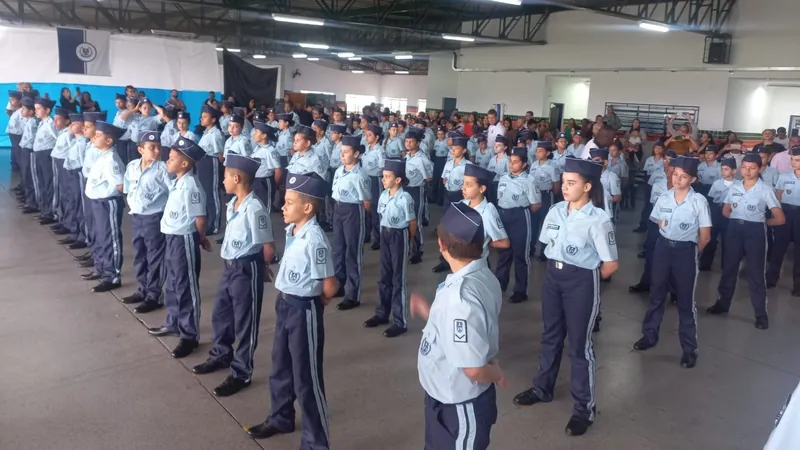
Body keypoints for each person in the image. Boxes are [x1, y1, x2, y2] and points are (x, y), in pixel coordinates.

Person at [512, 156, 619, 437]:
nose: (564, 187)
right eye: (564, 182)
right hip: (552, 278)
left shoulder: (598, 219)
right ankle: (542, 387)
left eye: (572, 183)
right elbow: (547, 243)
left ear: (587, 187)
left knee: (580, 346)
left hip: (581, 281)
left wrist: (587, 280)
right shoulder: (556, 211)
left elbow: (611, 265)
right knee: (550, 335)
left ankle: (584, 408)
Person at [245, 172, 336, 449]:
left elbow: (330, 285)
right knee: (280, 367)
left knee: (306, 379)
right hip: (285, 304)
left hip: (302, 310)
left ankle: (316, 443)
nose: (282, 207)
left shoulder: (315, 240)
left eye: (289, 202)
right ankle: (280, 416)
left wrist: (312, 302)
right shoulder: (294, 231)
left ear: (307, 208)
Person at [410, 202, 505, 450]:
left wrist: (495, 373)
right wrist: (428, 312)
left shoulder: (460, 298)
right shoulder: (480, 277)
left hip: (460, 404)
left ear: (441, 246)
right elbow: (459, 328)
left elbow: (472, 369)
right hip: (443, 396)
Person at [191, 154, 275, 397]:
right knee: (221, 314)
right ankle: (221, 355)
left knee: (246, 322)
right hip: (229, 267)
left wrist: (260, 269)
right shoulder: (233, 203)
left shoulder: (255, 209)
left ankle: (241, 372)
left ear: (237, 178)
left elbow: (268, 248)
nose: (223, 181)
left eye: (226, 177)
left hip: (246, 269)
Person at [633, 156, 711, 368]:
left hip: (685, 252)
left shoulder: (699, 202)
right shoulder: (664, 198)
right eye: (675, 174)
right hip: (663, 249)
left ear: (692, 179)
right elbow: (659, 222)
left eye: (683, 177)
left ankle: (689, 348)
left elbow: (705, 236)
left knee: (685, 302)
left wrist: (692, 252)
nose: (677, 179)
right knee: (656, 295)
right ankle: (649, 336)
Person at [706, 152, 785, 330]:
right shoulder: (734, 187)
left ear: (759, 169)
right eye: (744, 167)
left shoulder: (765, 189)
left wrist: (761, 223)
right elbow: (726, 210)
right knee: (728, 269)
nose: (747, 171)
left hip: (755, 232)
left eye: (752, 168)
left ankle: (760, 314)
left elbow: (780, 218)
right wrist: (737, 218)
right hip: (734, 230)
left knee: (756, 274)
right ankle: (723, 303)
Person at [147, 137, 210, 358]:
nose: (167, 160)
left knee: (185, 287)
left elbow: (200, 217)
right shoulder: (178, 181)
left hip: (184, 239)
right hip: (172, 238)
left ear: (185, 164)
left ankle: (189, 335)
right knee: (173, 284)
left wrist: (199, 238)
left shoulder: (191, 185)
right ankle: (173, 322)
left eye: (172, 158)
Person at [364, 158, 417, 338]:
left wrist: (408, 242)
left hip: (399, 236)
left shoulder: (405, 198)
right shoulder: (384, 195)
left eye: (387, 177)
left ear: (398, 180)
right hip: (385, 234)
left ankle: (399, 321)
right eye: (383, 176)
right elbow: (380, 216)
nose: (383, 179)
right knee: (384, 275)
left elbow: (412, 223)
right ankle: (381, 313)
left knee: (397, 278)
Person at [121, 131, 171, 313]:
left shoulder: (163, 169)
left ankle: (154, 295)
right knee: (140, 255)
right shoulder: (132, 166)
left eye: (158, 147)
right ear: (140, 149)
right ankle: (142, 290)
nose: (157, 151)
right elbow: (128, 188)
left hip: (154, 218)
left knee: (154, 257)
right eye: (152, 148)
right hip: (137, 217)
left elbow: (173, 192)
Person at [82, 121, 126, 293]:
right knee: (100, 237)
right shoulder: (102, 155)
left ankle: (112, 276)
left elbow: (121, 185)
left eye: (99, 135)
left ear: (109, 141)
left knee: (110, 239)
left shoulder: (111, 160)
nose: (94, 136)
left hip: (108, 203)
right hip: (98, 202)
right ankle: (101, 268)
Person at [495, 147, 542, 303]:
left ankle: (521, 290)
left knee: (521, 255)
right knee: (504, 253)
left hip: (520, 216)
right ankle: (500, 283)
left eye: (516, 162)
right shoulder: (503, 178)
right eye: (510, 161)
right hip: (504, 215)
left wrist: (521, 212)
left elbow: (536, 205)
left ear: (523, 164)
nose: (512, 164)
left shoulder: (529, 181)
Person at [331, 136, 372, 311]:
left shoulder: (360, 175)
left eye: (346, 152)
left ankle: (353, 295)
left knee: (352, 253)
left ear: (356, 154)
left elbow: (366, 202)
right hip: (338, 209)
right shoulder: (339, 170)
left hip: (353, 212)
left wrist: (360, 217)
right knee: (338, 250)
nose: (343, 155)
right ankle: (338, 285)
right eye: (341, 152)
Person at [767, 147, 800, 296]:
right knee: (779, 247)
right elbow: (778, 196)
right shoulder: (784, 176)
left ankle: (798, 285)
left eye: (797, 160)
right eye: (792, 160)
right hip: (785, 212)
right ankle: (771, 278)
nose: (794, 163)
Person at [461, 164, 510, 261]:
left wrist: (483, 242)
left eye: (469, 185)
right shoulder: (462, 204)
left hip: (476, 262)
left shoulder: (487, 212)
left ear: (482, 189)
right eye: (463, 183)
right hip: (460, 259)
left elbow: (505, 243)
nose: (463, 188)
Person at [698, 158, 736, 271]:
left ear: (734, 171)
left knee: (728, 239)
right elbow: (710, 199)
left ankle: (726, 265)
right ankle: (705, 263)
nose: (723, 171)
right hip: (716, 211)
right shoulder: (716, 183)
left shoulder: (739, 184)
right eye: (722, 169)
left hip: (731, 213)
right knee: (711, 238)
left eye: (726, 169)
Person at [57, 113, 87, 248]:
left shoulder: (83, 143)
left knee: (80, 205)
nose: (71, 125)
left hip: (78, 174)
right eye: (72, 123)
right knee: (72, 201)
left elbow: (82, 162)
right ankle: (74, 232)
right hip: (71, 173)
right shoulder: (75, 140)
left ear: (83, 127)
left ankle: (82, 236)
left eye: (75, 123)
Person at [404, 127, 433, 264]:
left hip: (416, 190)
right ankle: (409, 248)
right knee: (406, 220)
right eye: (407, 141)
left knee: (416, 221)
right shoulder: (407, 156)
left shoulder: (422, 159)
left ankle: (417, 250)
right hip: (405, 190)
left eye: (411, 141)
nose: (408, 143)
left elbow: (428, 177)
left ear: (418, 143)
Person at [528, 141, 560, 261]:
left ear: (547, 153)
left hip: (546, 195)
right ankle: (531, 248)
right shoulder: (534, 164)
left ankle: (544, 251)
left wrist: (551, 195)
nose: (537, 153)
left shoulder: (552, 166)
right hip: (534, 196)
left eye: (541, 151)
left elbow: (556, 186)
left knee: (546, 224)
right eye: (537, 151)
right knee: (533, 223)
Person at [196, 105, 225, 236]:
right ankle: (208, 221)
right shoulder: (207, 132)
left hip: (211, 163)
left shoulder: (216, 134)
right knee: (205, 194)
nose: (202, 118)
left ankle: (214, 225)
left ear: (213, 120)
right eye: (202, 116)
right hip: (203, 163)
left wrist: (220, 171)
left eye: (205, 117)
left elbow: (220, 155)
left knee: (212, 194)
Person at [32, 97, 59, 225]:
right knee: (42, 183)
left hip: (47, 155)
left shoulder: (50, 124)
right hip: (39, 155)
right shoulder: (42, 123)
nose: (35, 111)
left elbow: (58, 138)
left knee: (49, 184)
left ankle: (51, 213)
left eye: (38, 109)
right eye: (35, 108)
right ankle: (45, 210)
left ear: (47, 110)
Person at [49, 108, 74, 236]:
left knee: (66, 194)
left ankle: (68, 223)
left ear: (67, 121)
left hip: (64, 165)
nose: (55, 122)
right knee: (61, 193)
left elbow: (71, 150)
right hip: (58, 163)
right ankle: (63, 220)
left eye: (58, 120)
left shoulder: (69, 134)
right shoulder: (62, 132)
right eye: (54, 120)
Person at [361, 123, 386, 249]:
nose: (367, 137)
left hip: (375, 181)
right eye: (366, 134)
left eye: (369, 135)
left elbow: (383, 169)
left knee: (376, 210)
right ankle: (367, 234)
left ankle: (378, 238)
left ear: (376, 137)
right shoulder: (367, 148)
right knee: (366, 207)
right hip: (366, 179)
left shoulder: (379, 151)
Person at [486, 135, 509, 204]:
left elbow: (510, 175)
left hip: (502, 186)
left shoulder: (508, 160)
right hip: (491, 185)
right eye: (495, 145)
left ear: (505, 147)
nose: (496, 147)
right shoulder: (492, 159)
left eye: (499, 145)